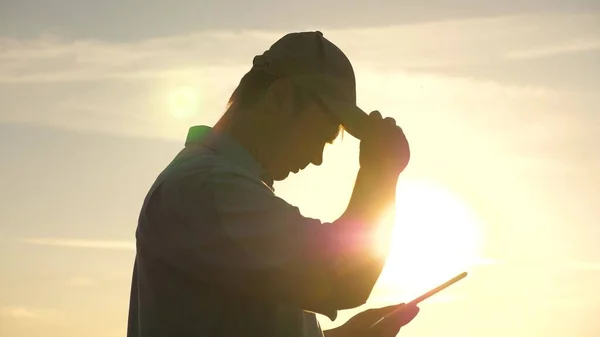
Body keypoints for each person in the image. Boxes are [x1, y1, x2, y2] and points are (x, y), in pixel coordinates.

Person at [127, 31, 419, 337]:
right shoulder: (209, 188)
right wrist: (380, 171)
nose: (318, 158)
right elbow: (343, 279)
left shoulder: (210, 185)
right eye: (322, 134)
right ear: (281, 96)